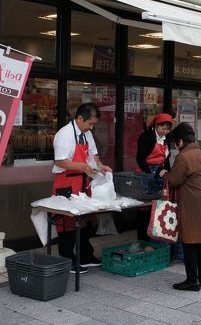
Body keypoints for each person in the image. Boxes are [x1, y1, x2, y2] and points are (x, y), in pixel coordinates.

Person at [52, 103, 112, 274]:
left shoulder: (86, 134)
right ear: (79, 118)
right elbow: (60, 161)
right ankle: (67, 259)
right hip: (66, 183)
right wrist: (82, 167)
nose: (91, 127)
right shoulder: (65, 135)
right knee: (68, 223)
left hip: (83, 182)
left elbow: (93, 155)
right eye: (90, 124)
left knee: (86, 220)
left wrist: (101, 167)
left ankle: (85, 255)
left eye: (93, 124)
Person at [159, 123, 201, 291]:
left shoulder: (184, 157)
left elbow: (174, 180)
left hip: (192, 206)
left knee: (190, 243)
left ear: (179, 141)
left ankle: (192, 281)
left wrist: (165, 174)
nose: (175, 148)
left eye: (175, 144)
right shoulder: (199, 153)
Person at [135, 113, 173, 240]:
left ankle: (155, 236)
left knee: (157, 206)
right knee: (144, 207)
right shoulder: (146, 137)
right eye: (163, 128)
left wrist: (166, 171)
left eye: (167, 129)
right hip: (145, 173)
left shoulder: (166, 139)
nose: (165, 132)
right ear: (156, 126)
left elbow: (166, 158)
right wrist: (151, 172)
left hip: (159, 174)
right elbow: (140, 158)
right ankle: (142, 238)